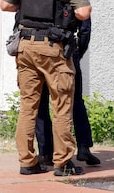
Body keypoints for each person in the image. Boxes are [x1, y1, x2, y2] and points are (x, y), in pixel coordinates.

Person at [0, 0, 91, 176]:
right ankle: (62, 163)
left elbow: (6, 5)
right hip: (53, 49)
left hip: (25, 47)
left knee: (28, 106)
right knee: (61, 105)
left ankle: (27, 162)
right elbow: (83, 12)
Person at [35, 18, 99, 168]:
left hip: (36, 49)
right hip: (65, 50)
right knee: (74, 101)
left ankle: (45, 152)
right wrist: (76, 52)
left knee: (40, 103)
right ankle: (83, 147)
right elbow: (85, 29)